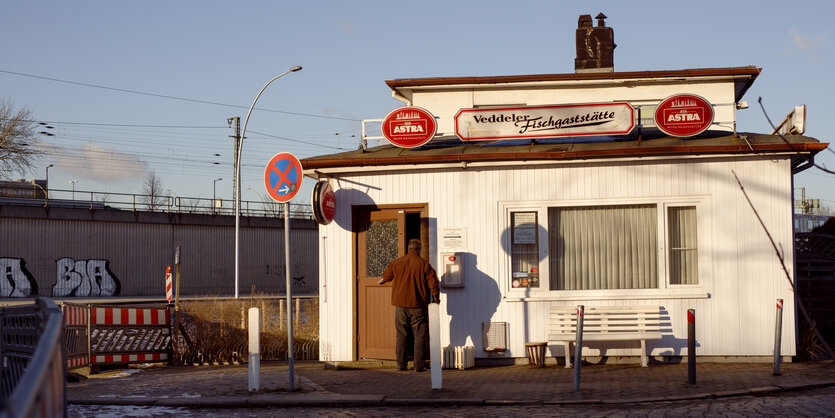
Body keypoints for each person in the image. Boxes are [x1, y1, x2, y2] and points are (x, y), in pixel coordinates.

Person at [380, 238, 440, 372]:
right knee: (420, 335)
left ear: (408, 248)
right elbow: (433, 283)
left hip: (400, 306)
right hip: (418, 305)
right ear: (419, 249)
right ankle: (418, 366)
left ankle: (401, 365)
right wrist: (436, 300)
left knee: (401, 335)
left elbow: (386, 276)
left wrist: (384, 280)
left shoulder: (396, 263)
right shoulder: (424, 264)